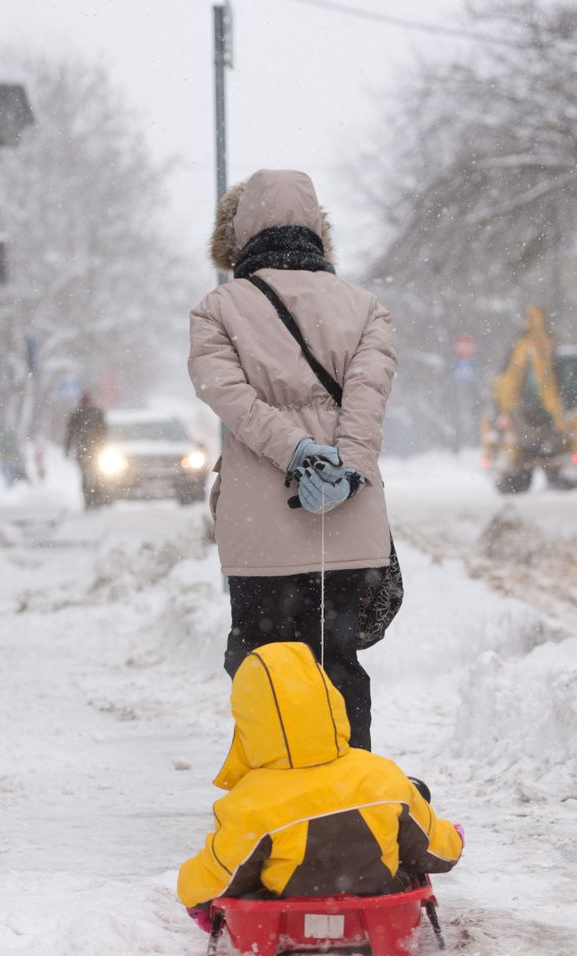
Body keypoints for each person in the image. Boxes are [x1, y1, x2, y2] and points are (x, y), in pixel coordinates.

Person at [189, 169, 396, 750]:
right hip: (348, 523)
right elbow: (367, 400)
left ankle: (278, 790)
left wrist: (296, 455)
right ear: (317, 228)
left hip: (260, 522)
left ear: (239, 232)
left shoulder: (217, 310)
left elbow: (227, 396)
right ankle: (349, 790)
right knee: (338, 662)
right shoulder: (366, 308)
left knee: (263, 665)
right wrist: (345, 467)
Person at [177, 642, 462, 926]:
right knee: (401, 841)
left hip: (284, 911)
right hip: (379, 900)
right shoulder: (379, 776)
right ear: (328, 698)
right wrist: (454, 838)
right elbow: (435, 852)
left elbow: (219, 874)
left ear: (249, 720)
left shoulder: (248, 801)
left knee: (246, 866)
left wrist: (192, 892)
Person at [64, 392, 108, 509]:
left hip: (96, 451)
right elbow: (70, 434)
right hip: (84, 452)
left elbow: (103, 431)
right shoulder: (77, 415)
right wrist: (67, 449)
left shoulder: (97, 413)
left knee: (98, 476)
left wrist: (102, 445)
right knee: (85, 477)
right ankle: (88, 499)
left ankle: (96, 498)